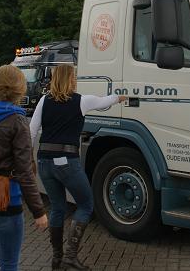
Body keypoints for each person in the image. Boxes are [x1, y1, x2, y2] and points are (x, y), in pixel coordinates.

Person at [30, 65, 125, 270]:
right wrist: (121, 97)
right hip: (67, 162)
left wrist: (28, 160)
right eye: (73, 77)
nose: (75, 80)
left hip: (44, 162)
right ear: (70, 79)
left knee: (57, 207)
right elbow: (105, 101)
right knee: (86, 205)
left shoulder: (44, 101)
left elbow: (31, 132)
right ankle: (70, 257)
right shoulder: (81, 101)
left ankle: (57, 258)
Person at [0, 65, 48, 271]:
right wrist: (38, 211)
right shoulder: (18, 121)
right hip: (6, 201)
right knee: (9, 263)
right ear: (20, 88)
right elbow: (24, 171)